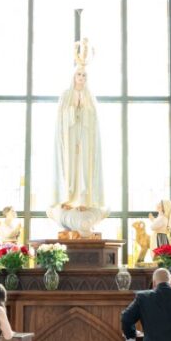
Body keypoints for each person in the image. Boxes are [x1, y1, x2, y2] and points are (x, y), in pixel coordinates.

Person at [47, 39, 107, 235]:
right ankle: (69, 198)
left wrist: (84, 107)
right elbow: (63, 118)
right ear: (73, 77)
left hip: (85, 140)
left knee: (84, 168)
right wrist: (74, 108)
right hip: (70, 137)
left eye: (84, 75)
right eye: (78, 74)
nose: (81, 77)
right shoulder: (66, 95)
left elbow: (93, 121)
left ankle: (85, 200)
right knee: (71, 167)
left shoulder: (90, 97)